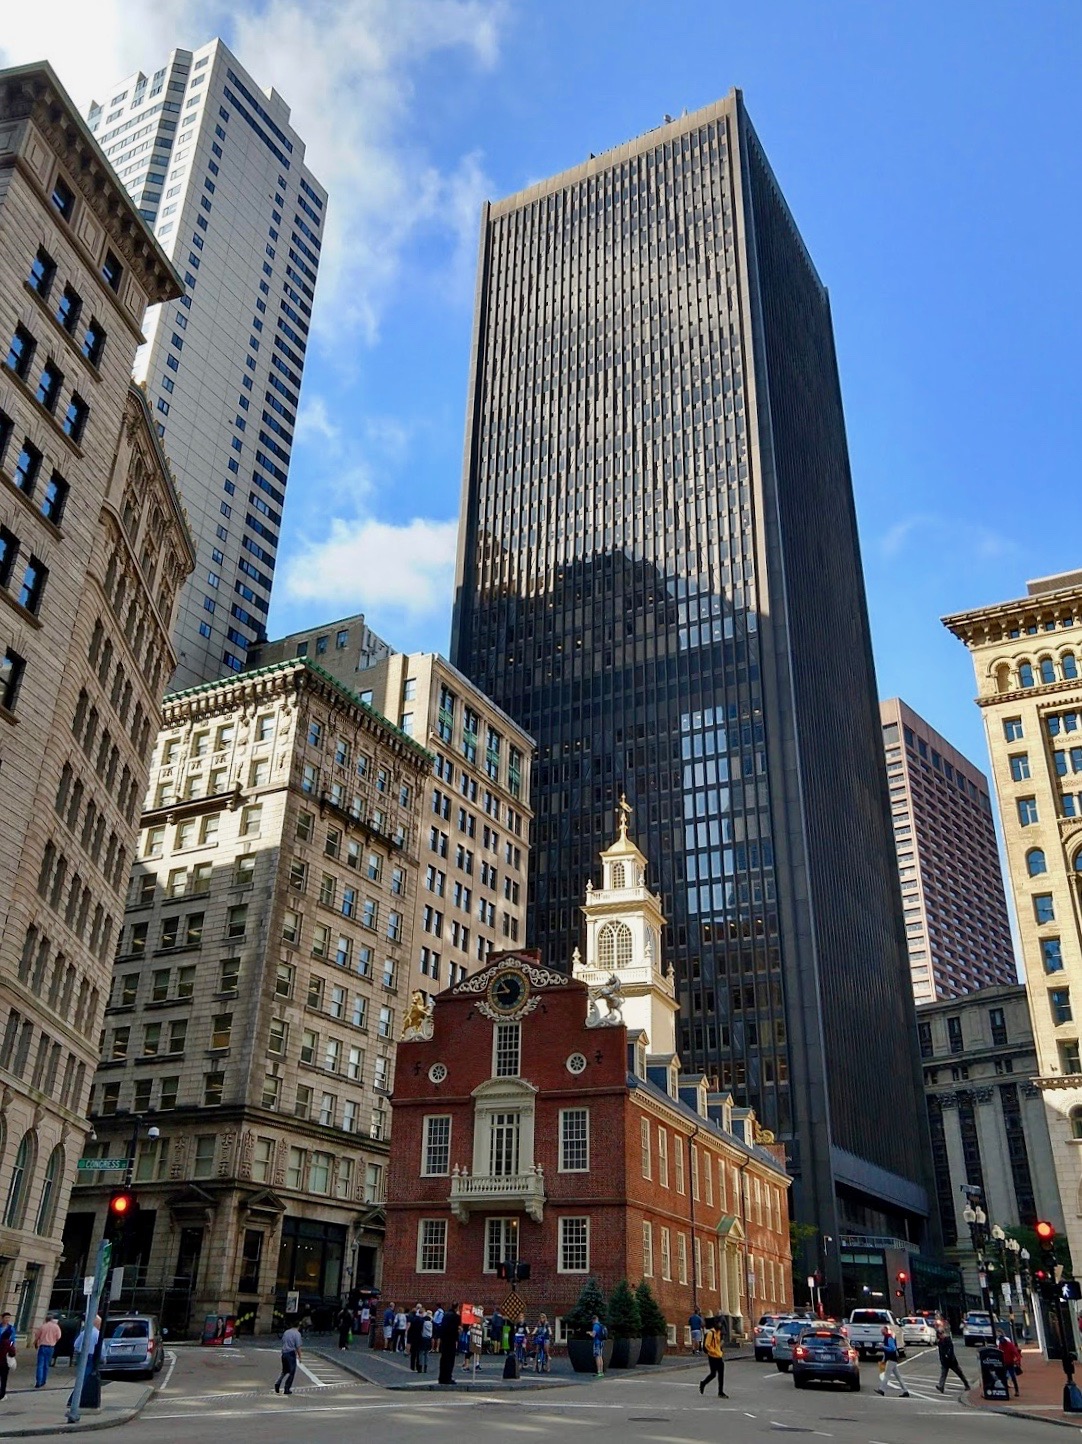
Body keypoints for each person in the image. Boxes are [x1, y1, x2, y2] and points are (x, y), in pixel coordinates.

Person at [935, 1326, 971, 1393]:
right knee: (943, 1374)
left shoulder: (948, 1340)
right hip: (944, 1362)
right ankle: (941, 1386)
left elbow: (950, 1349)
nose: (939, 1336)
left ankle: (967, 1385)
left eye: (940, 1334)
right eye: (938, 1335)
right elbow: (941, 1352)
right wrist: (942, 1359)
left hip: (952, 1361)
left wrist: (948, 1355)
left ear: (942, 1333)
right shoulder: (940, 1342)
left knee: (959, 1373)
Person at [876, 1326, 909, 1397]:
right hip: (891, 1359)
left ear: (885, 1330)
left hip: (892, 1359)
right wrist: (883, 1360)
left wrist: (883, 1347)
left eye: (882, 1330)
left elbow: (893, 1349)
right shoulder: (886, 1337)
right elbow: (887, 1351)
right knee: (898, 1377)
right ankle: (905, 1391)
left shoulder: (889, 1338)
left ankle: (882, 1390)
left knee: (886, 1375)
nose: (881, 1332)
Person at [699, 1317, 728, 1398]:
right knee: (713, 1374)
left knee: (721, 1374)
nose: (720, 1325)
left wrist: (720, 1349)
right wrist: (714, 1351)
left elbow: (717, 1344)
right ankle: (703, 1383)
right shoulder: (710, 1333)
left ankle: (720, 1392)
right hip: (712, 1356)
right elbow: (707, 1345)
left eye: (721, 1324)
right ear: (715, 1324)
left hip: (719, 1356)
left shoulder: (718, 1333)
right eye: (719, 1323)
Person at [33, 1313, 62, 1388]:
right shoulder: (56, 1327)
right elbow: (59, 1336)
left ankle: (38, 1381)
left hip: (43, 1346)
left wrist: (36, 1343)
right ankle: (43, 1381)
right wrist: (54, 1341)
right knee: (46, 1365)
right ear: (52, 1319)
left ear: (46, 1319)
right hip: (51, 1347)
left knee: (40, 1365)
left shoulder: (43, 1326)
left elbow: (37, 1336)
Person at [275, 1319, 303, 1395]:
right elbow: (298, 1346)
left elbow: (283, 1341)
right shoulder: (297, 1334)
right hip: (291, 1353)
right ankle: (287, 1388)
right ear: (298, 1326)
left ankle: (278, 1382)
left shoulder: (286, 1332)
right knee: (291, 1372)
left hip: (284, 1353)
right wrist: (300, 1357)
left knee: (284, 1370)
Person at [438, 1304, 461, 1385]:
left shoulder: (445, 1315)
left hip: (444, 1340)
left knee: (443, 1359)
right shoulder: (456, 1317)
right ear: (457, 1308)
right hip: (451, 1341)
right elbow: (455, 1329)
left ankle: (441, 1378)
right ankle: (448, 1378)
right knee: (450, 1360)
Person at [999, 1332, 1022, 1397]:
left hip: (1010, 1363)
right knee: (1003, 1377)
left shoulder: (1010, 1345)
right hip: (1004, 1363)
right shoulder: (1001, 1345)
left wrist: (1016, 1361)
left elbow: (1016, 1354)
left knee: (1013, 1377)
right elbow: (999, 1352)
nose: (1002, 1344)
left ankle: (1016, 1391)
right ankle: (1005, 1390)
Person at [0, 1313, 15, 1403]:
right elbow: (12, 1351)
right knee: (4, 1377)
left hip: (3, 1356)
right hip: (4, 1360)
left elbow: (13, 1340)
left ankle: (2, 1392)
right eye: (6, 1318)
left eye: (9, 1318)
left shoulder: (11, 1328)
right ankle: (2, 1393)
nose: (7, 1319)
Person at [407, 1306, 426, 1372]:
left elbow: (410, 1329)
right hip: (420, 1338)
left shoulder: (413, 1319)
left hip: (413, 1337)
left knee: (413, 1353)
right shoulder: (422, 1321)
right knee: (419, 1353)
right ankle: (418, 1367)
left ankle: (412, 1366)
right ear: (422, 1313)